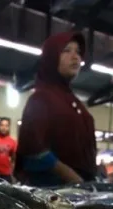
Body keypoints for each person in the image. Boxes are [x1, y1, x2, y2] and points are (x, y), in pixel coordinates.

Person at [16, 31, 97, 187]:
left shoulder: (75, 103)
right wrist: (74, 179)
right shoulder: (41, 98)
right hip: (53, 194)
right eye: (66, 50)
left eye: (78, 52)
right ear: (51, 57)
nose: (76, 57)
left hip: (80, 190)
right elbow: (34, 150)